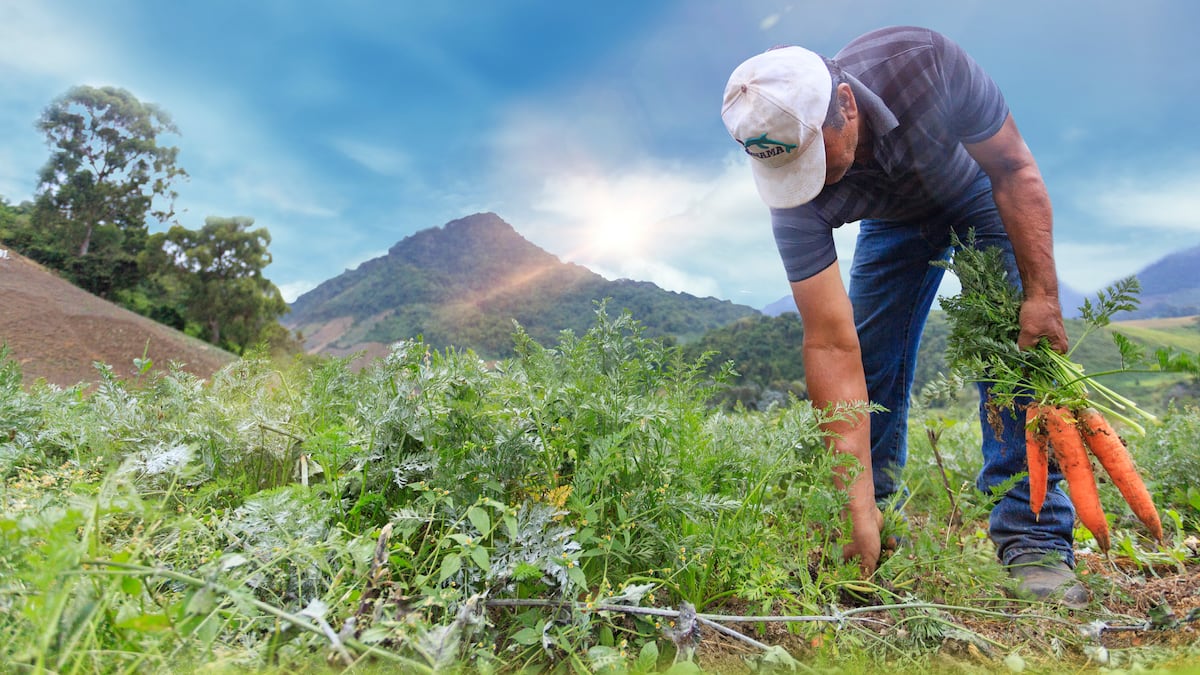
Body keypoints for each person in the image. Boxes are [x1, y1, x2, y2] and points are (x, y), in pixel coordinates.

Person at [721, 26, 1087, 606]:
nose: (807, 182)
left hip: (979, 195)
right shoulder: (792, 197)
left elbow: (1014, 168)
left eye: (816, 157)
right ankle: (872, 523)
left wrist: (1042, 296)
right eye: (790, 169)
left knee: (1013, 358)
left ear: (846, 105)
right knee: (870, 364)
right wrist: (850, 502)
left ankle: (1034, 539)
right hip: (892, 225)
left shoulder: (923, 63)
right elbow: (829, 346)